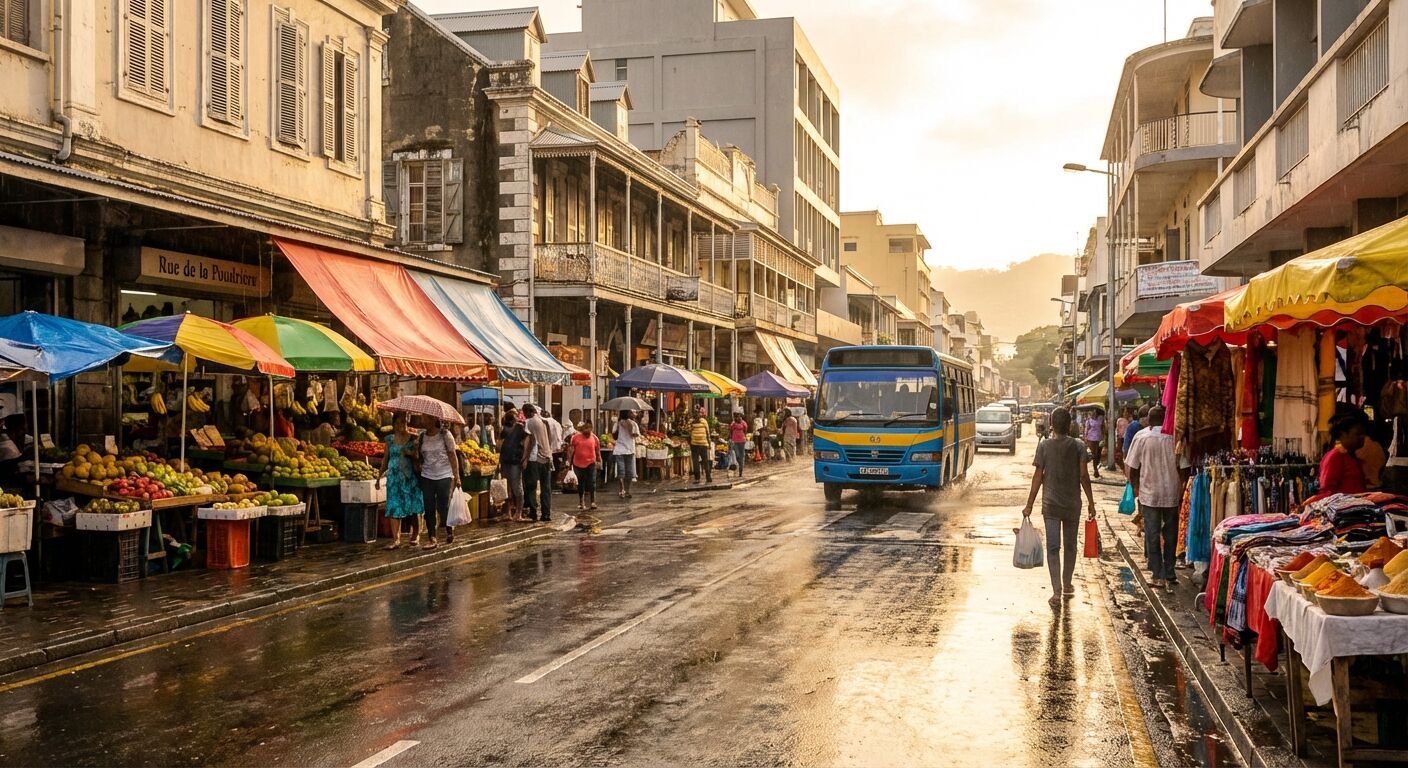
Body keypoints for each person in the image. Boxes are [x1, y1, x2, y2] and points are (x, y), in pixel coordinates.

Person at [1021, 407, 1097, 608]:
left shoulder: (1044, 446)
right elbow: (1083, 476)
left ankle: (1056, 591)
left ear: (1052, 425)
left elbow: (1038, 477)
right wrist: (1091, 502)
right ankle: (1067, 582)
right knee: (1070, 546)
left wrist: (1029, 504)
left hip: (1051, 504)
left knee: (1053, 548)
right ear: (1070, 425)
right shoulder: (1079, 446)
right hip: (1073, 504)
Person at [1125, 405, 1186, 590]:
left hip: (1149, 493)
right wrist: (1182, 490)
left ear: (1149, 420)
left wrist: (1134, 486)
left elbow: (1132, 466)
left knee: (1152, 534)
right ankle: (1169, 571)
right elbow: (1184, 467)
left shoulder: (1142, 437)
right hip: (1171, 493)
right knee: (1170, 534)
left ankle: (1158, 574)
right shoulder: (1175, 438)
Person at [376, 413, 423, 549]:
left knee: (414, 506)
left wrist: (409, 452)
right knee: (394, 506)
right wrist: (379, 477)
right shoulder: (389, 440)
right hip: (394, 478)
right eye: (397, 423)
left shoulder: (414, 438)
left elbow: (418, 456)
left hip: (410, 477)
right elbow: (386, 459)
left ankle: (416, 535)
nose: (400, 426)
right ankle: (396, 539)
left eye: (403, 423)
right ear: (393, 425)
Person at [416, 416, 460, 548]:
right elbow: (419, 456)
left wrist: (456, 476)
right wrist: (416, 449)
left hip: (444, 475)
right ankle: (432, 537)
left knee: (443, 506)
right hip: (427, 475)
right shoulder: (422, 436)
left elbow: (452, 455)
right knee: (428, 507)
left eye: (426, 419)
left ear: (433, 420)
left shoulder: (445, 435)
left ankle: (449, 530)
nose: (423, 421)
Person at [1319, 412, 1368, 497]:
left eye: (1363, 434)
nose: (1362, 437)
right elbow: (1327, 491)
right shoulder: (1335, 456)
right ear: (1343, 434)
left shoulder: (1351, 455)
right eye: (1358, 434)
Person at [521, 404, 555, 522]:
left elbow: (529, 441)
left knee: (531, 486)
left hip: (534, 458)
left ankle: (533, 511)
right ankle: (546, 514)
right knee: (546, 487)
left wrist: (525, 458)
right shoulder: (545, 422)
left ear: (526, 412)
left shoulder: (529, 422)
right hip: (546, 457)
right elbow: (550, 439)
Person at [497, 411, 530, 522]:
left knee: (517, 487)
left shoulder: (520, 428)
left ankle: (518, 513)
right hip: (506, 461)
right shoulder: (504, 430)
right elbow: (499, 444)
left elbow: (527, 440)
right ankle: (508, 512)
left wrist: (525, 456)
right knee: (506, 488)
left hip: (515, 461)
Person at [568, 422, 599, 510]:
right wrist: (569, 463)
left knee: (592, 482)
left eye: (589, 430)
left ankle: (592, 501)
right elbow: (571, 450)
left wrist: (599, 461)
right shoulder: (575, 438)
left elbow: (597, 450)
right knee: (581, 483)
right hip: (578, 463)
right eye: (586, 430)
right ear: (582, 430)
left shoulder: (594, 438)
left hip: (591, 463)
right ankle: (581, 501)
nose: (588, 432)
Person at [612, 410, 640, 498]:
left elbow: (634, 435)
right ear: (626, 413)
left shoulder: (632, 424)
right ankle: (623, 490)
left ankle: (625, 490)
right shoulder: (618, 423)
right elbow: (614, 436)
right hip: (623, 450)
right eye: (631, 412)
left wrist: (630, 426)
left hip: (627, 450)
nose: (633, 414)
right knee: (624, 472)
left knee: (627, 472)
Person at [689, 408, 713, 484]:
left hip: (694, 444)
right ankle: (708, 477)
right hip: (703, 444)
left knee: (695, 462)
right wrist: (709, 444)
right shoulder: (704, 421)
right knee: (705, 461)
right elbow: (708, 433)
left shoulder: (691, 422)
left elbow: (689, 432)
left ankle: (697, 479)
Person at [1083, 408, 1105, 478]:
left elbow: (1103, 427)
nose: (1093, 413)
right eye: (1092, 412)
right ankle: (1095, 470)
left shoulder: (1101, 419)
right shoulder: (1089, 420)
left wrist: (1103, 436)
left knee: (1098, 454)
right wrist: (1085, 438)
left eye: (1094, 412)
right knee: (1094, 454)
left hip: (1099, 438)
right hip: (1091, 438)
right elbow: (1086, 429)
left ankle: (1096, 468)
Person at [728, 411, 749, 478]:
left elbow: (745, 430)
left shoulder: (743, 423)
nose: (738, 418)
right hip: (735, 441)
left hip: (742, 441)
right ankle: (740, 464)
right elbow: (731, 431)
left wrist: (744, 436)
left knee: (742, 455)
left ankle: (741, 470)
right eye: (736, 417)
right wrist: (731, 438)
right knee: (737, 455)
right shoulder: (733, 424)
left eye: (739, 416)